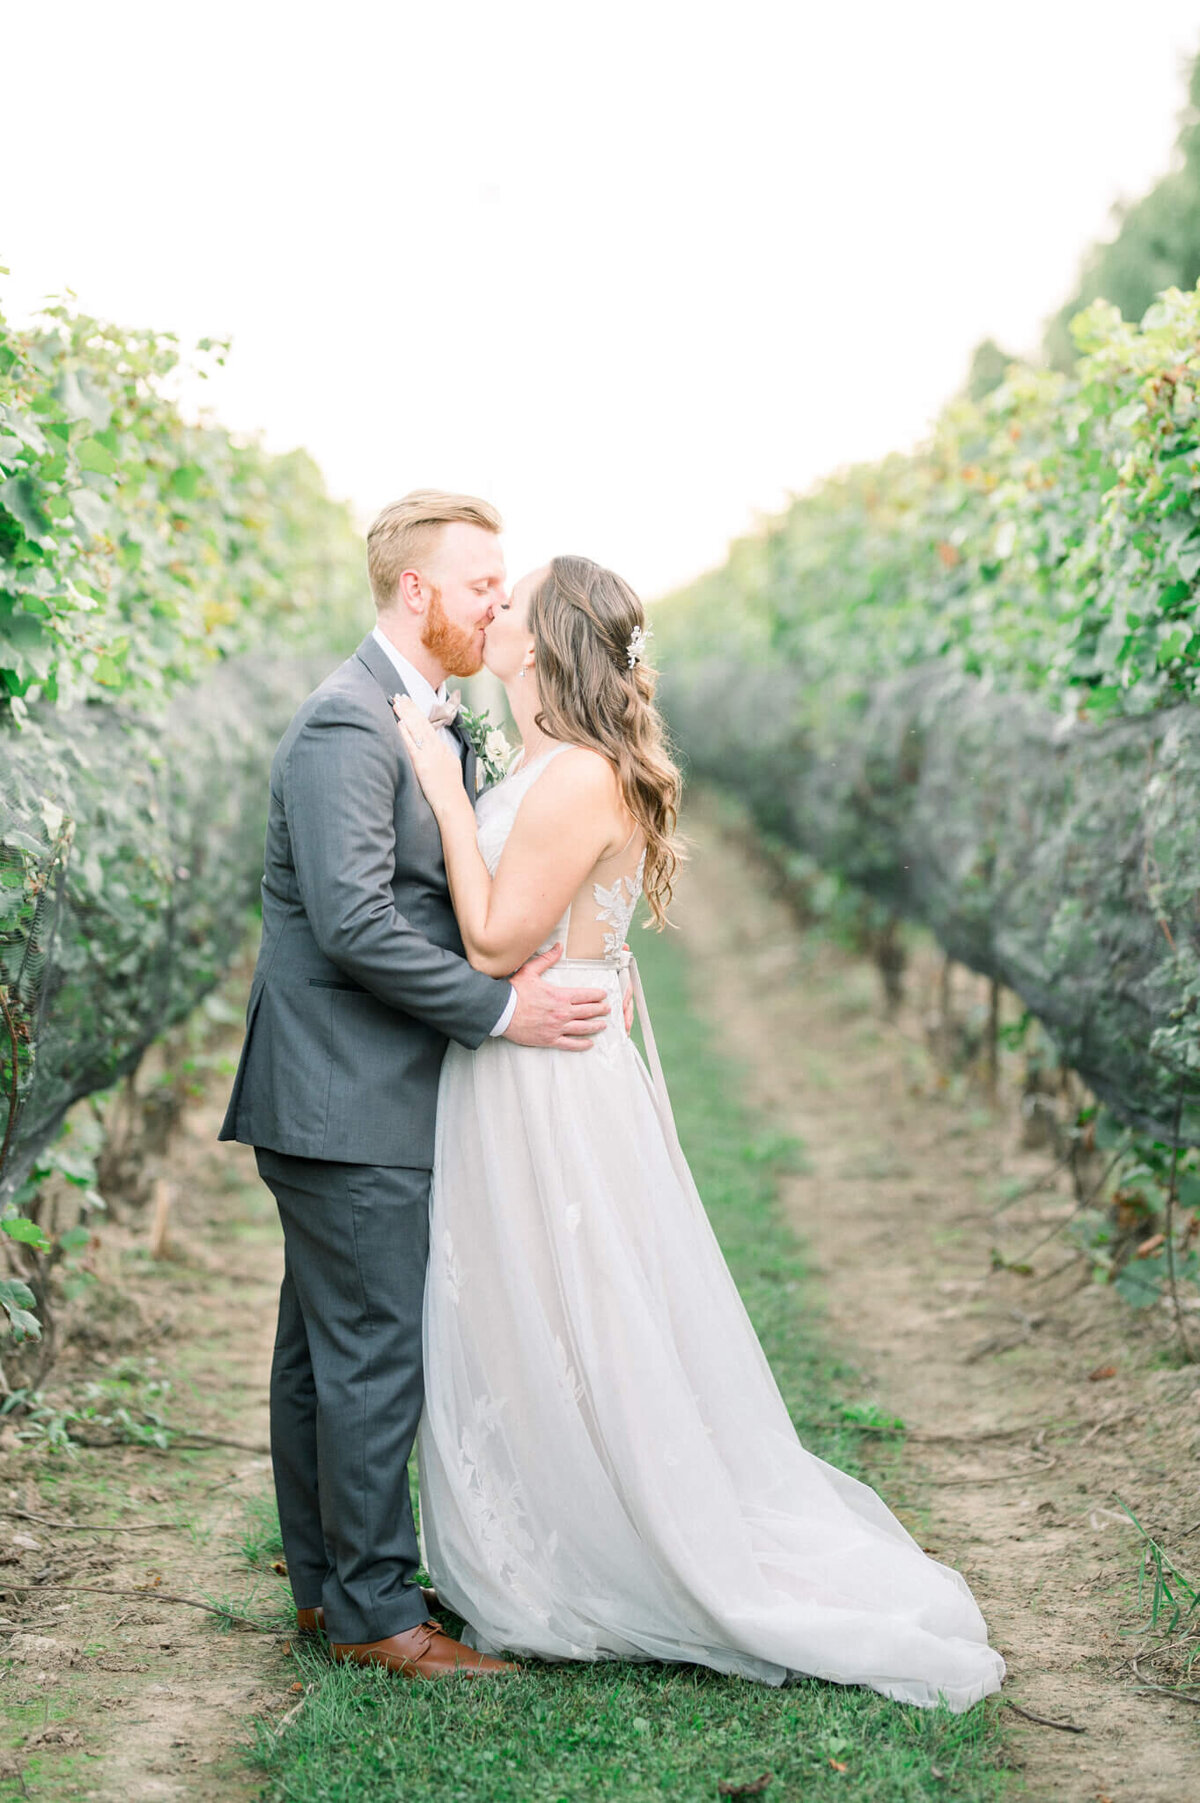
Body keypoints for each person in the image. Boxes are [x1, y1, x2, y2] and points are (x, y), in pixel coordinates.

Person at [395, 554, 1006, 1712]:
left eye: (511, 604)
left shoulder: (575, 776)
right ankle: (547, 1517)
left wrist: (434, 780)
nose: (494, 611)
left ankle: (597, 1541)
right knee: (530, 1299)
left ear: (545, 642)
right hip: (530, 1057)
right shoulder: (549, 762)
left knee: (571, 1299)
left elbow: (489, 944)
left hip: (546, 1080)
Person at [219, 492, 617, 1680]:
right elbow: (352, 924)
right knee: (372, 1354)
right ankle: (381, 1619)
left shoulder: (419, 715)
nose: (501, 603)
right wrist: (503, 1010)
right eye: (483, 583)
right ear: (415, 591)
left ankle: (329, 1589)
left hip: (354, 1090)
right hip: (348, 1094)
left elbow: (433, 895)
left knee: (321, 1353)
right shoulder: (349, 726)